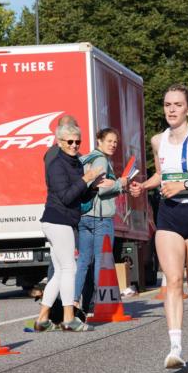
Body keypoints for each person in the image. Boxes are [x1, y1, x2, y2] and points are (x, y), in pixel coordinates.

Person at [129, 84, 188, 369]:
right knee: (173, 282)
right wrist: (143, 186)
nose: (171, 110)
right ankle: (175, 347)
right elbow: (161, 174)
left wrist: (185, 184)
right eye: (167, 104)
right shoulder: (158, 140)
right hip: (168, 216)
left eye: (177, 105)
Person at [32, 119, 104, 332]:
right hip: (57, 220)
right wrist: (86, 178)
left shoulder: (75, 163)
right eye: (70, 142)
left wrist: (94, 187)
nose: (74, 145)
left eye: (77, 142)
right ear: (60, 142)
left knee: (59, 272)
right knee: (69, 268)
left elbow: (79, 195)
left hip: (63, 220)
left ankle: (42, 319)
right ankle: (68, 317)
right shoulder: (57, 164)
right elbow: (65, 196)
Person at [74, 127, 123, 314]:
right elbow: (101, 188)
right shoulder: (101, 159)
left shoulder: (85, 158)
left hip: (84, 216)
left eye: (115, 142)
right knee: (102, 262)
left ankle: (74, 302)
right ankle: (98, 302)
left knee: (83, 262)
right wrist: (121, 184)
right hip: (100, 217)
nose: (113, 145)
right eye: (109, 141)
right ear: (99, 141)